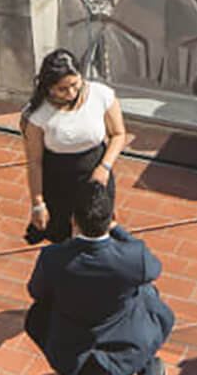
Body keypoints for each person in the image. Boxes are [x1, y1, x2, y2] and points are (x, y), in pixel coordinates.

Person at [25, 182, 172, 375]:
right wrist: (118, 230)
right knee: (147, 296)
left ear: (73, 220)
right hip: (128, 339)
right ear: (110, 216)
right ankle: (146, 374)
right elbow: (153, 269)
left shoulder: (54, 258)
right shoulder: (133, 257)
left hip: (77, 347)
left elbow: (36, 292)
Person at [21, 49, 128, 244]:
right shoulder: (37, 114)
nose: (70, 93)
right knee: (63, 235)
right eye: (62, 89)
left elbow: (118, 134)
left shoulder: (101, 95)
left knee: (98, 231)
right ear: (48, 87)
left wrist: (104, 167)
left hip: (96, 173)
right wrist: (37, 203)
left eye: (74, 85)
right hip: (59, 180)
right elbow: (35, 162)